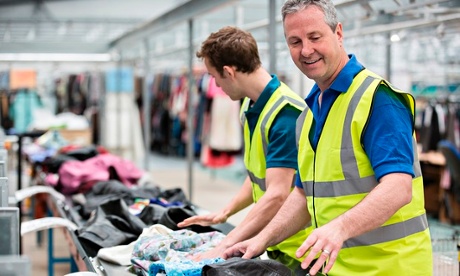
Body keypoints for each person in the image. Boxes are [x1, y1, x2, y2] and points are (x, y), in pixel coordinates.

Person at [223, 1, 433, 275]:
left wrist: (340, 227)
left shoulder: (377, 100)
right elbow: (302, 195)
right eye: (295, 41)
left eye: (315, 37)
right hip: (336, 268)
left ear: (339, 33)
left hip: (389, 268)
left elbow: (398, 187)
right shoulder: (310, 112)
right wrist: (259, 240)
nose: (306, 50)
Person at [177, 26, 311, 272]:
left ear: (228, 72)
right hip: (276, 242)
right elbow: (259, 177)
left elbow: (277, 193)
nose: (215, 84)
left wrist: (225, 245)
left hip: (300, 249)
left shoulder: (285, 114)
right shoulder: (252, 106)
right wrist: (225, 212)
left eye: (214, 77)